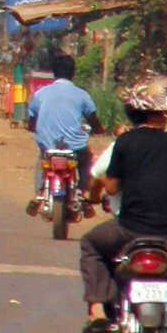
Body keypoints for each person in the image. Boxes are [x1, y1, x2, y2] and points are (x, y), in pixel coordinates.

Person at [79, 73, 167, 333]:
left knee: (90, 243)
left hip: (128, 231)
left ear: (138, 108)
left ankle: (96, 312)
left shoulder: (126, 143)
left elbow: (113, 187)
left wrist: (104, 186)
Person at [26, 53, 105, 213]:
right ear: (73, 72)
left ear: (54, 72)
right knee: (86, 159)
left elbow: (31, 120)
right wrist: (99, 129)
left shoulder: (41, 93)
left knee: (42, 158)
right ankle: (83, 193)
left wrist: (35, 128)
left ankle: (39, 194)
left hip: (48, 144)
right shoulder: (82, 95)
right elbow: (93, 119)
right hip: (74, 146)